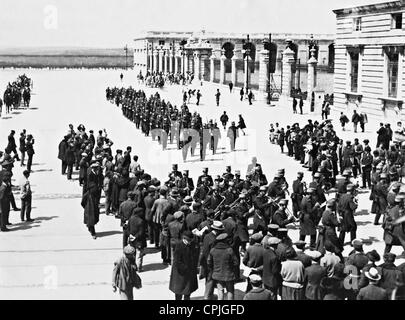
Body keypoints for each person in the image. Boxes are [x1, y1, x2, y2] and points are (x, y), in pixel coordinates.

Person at [207, 233, 239, 300]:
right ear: (225, 240)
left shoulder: (213, 250)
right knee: (230, 290)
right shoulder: (229, 250)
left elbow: (209, 262)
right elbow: (236, 262)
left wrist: (213, 269)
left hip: (217, 274)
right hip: (229, 274)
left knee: (220, 290)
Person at [169, 231, 199, 300]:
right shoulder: (179, 246)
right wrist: (185, 268)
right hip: (180, 273)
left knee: (188, 291)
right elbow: (176, 261)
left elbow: (195, 256)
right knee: (179, 292)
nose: (190, 242)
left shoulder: (193, 244)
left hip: (189, 272)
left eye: (191, 240)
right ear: (184, 239)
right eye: (188, 241)